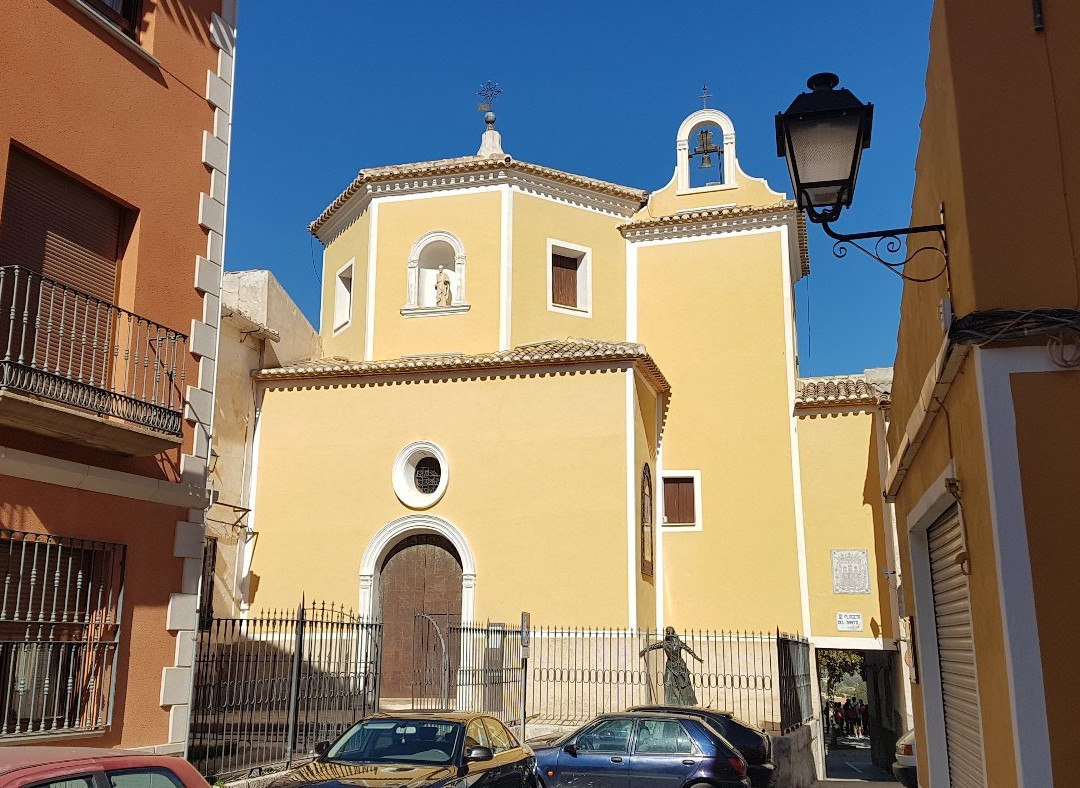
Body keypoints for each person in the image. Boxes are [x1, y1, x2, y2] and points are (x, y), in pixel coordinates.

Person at [639, 627, 703, 706]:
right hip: (669, 665)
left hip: (679, 666)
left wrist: (697, 658)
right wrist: (644, 650)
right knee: (667, 683)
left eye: (669, 632)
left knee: (682, 685)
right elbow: (654, 646)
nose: (667, 634)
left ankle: (685, 703)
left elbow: (689, 650)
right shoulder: (665, 643)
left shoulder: (678, 643)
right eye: (667, 632)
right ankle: (671, 703)